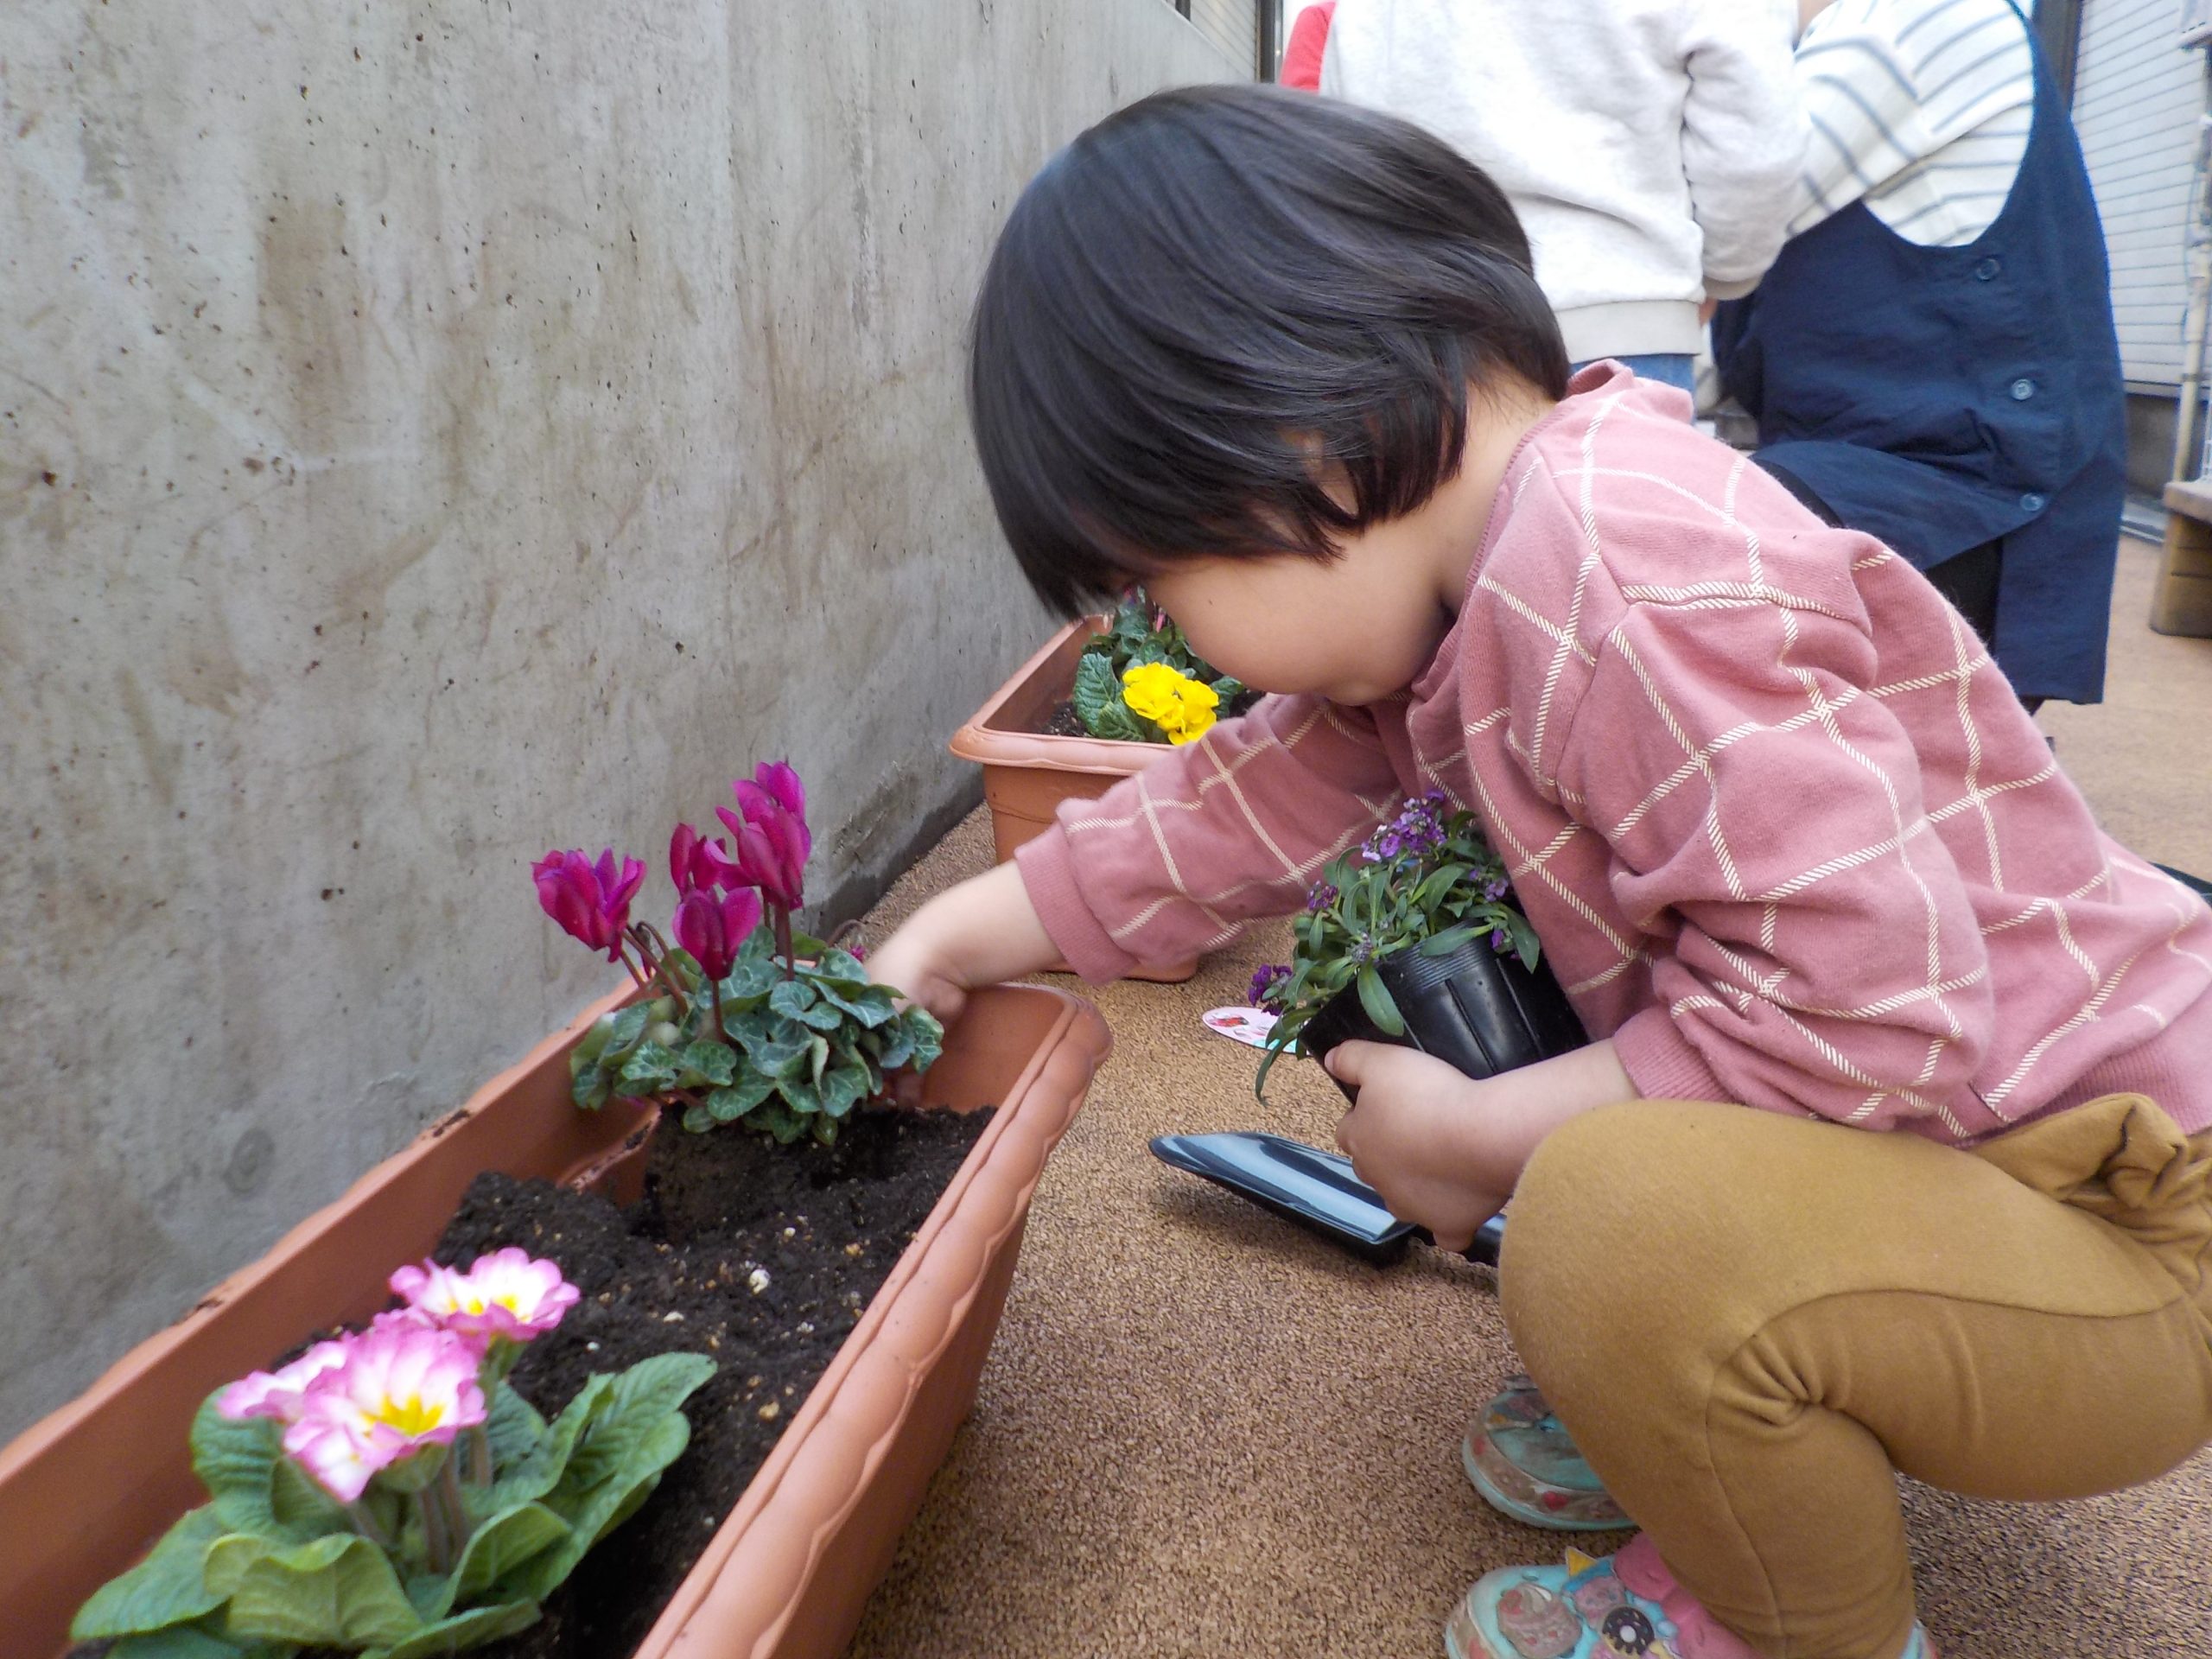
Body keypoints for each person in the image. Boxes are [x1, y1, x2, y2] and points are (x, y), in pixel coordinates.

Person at [874, 86, 2212, 1659]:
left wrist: (1491, 1136)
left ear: (1289, 438)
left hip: (2120, 1230)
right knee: (1552, 1078)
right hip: (1962, 1155)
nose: (1168, 639)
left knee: (1604, 1223)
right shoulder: (1478, 583)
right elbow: (1235, 805)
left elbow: (1873, 1016)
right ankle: (1713, 1406)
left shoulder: (1628, 578)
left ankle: (1795, 1622)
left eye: (1155, 585)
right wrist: (963, 929)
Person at [1712, 0, 2126, 709]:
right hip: (1890, 474)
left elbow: (1713, 223)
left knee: (1674, 545)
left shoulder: (1906, 20)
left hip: (1965, 493)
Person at [1313, 0, 1807, 393]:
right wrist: (1724, 272)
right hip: (1620, 323)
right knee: (1611, 519)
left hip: (1419, 345)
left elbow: (1342, 148)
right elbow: (1758, 147)